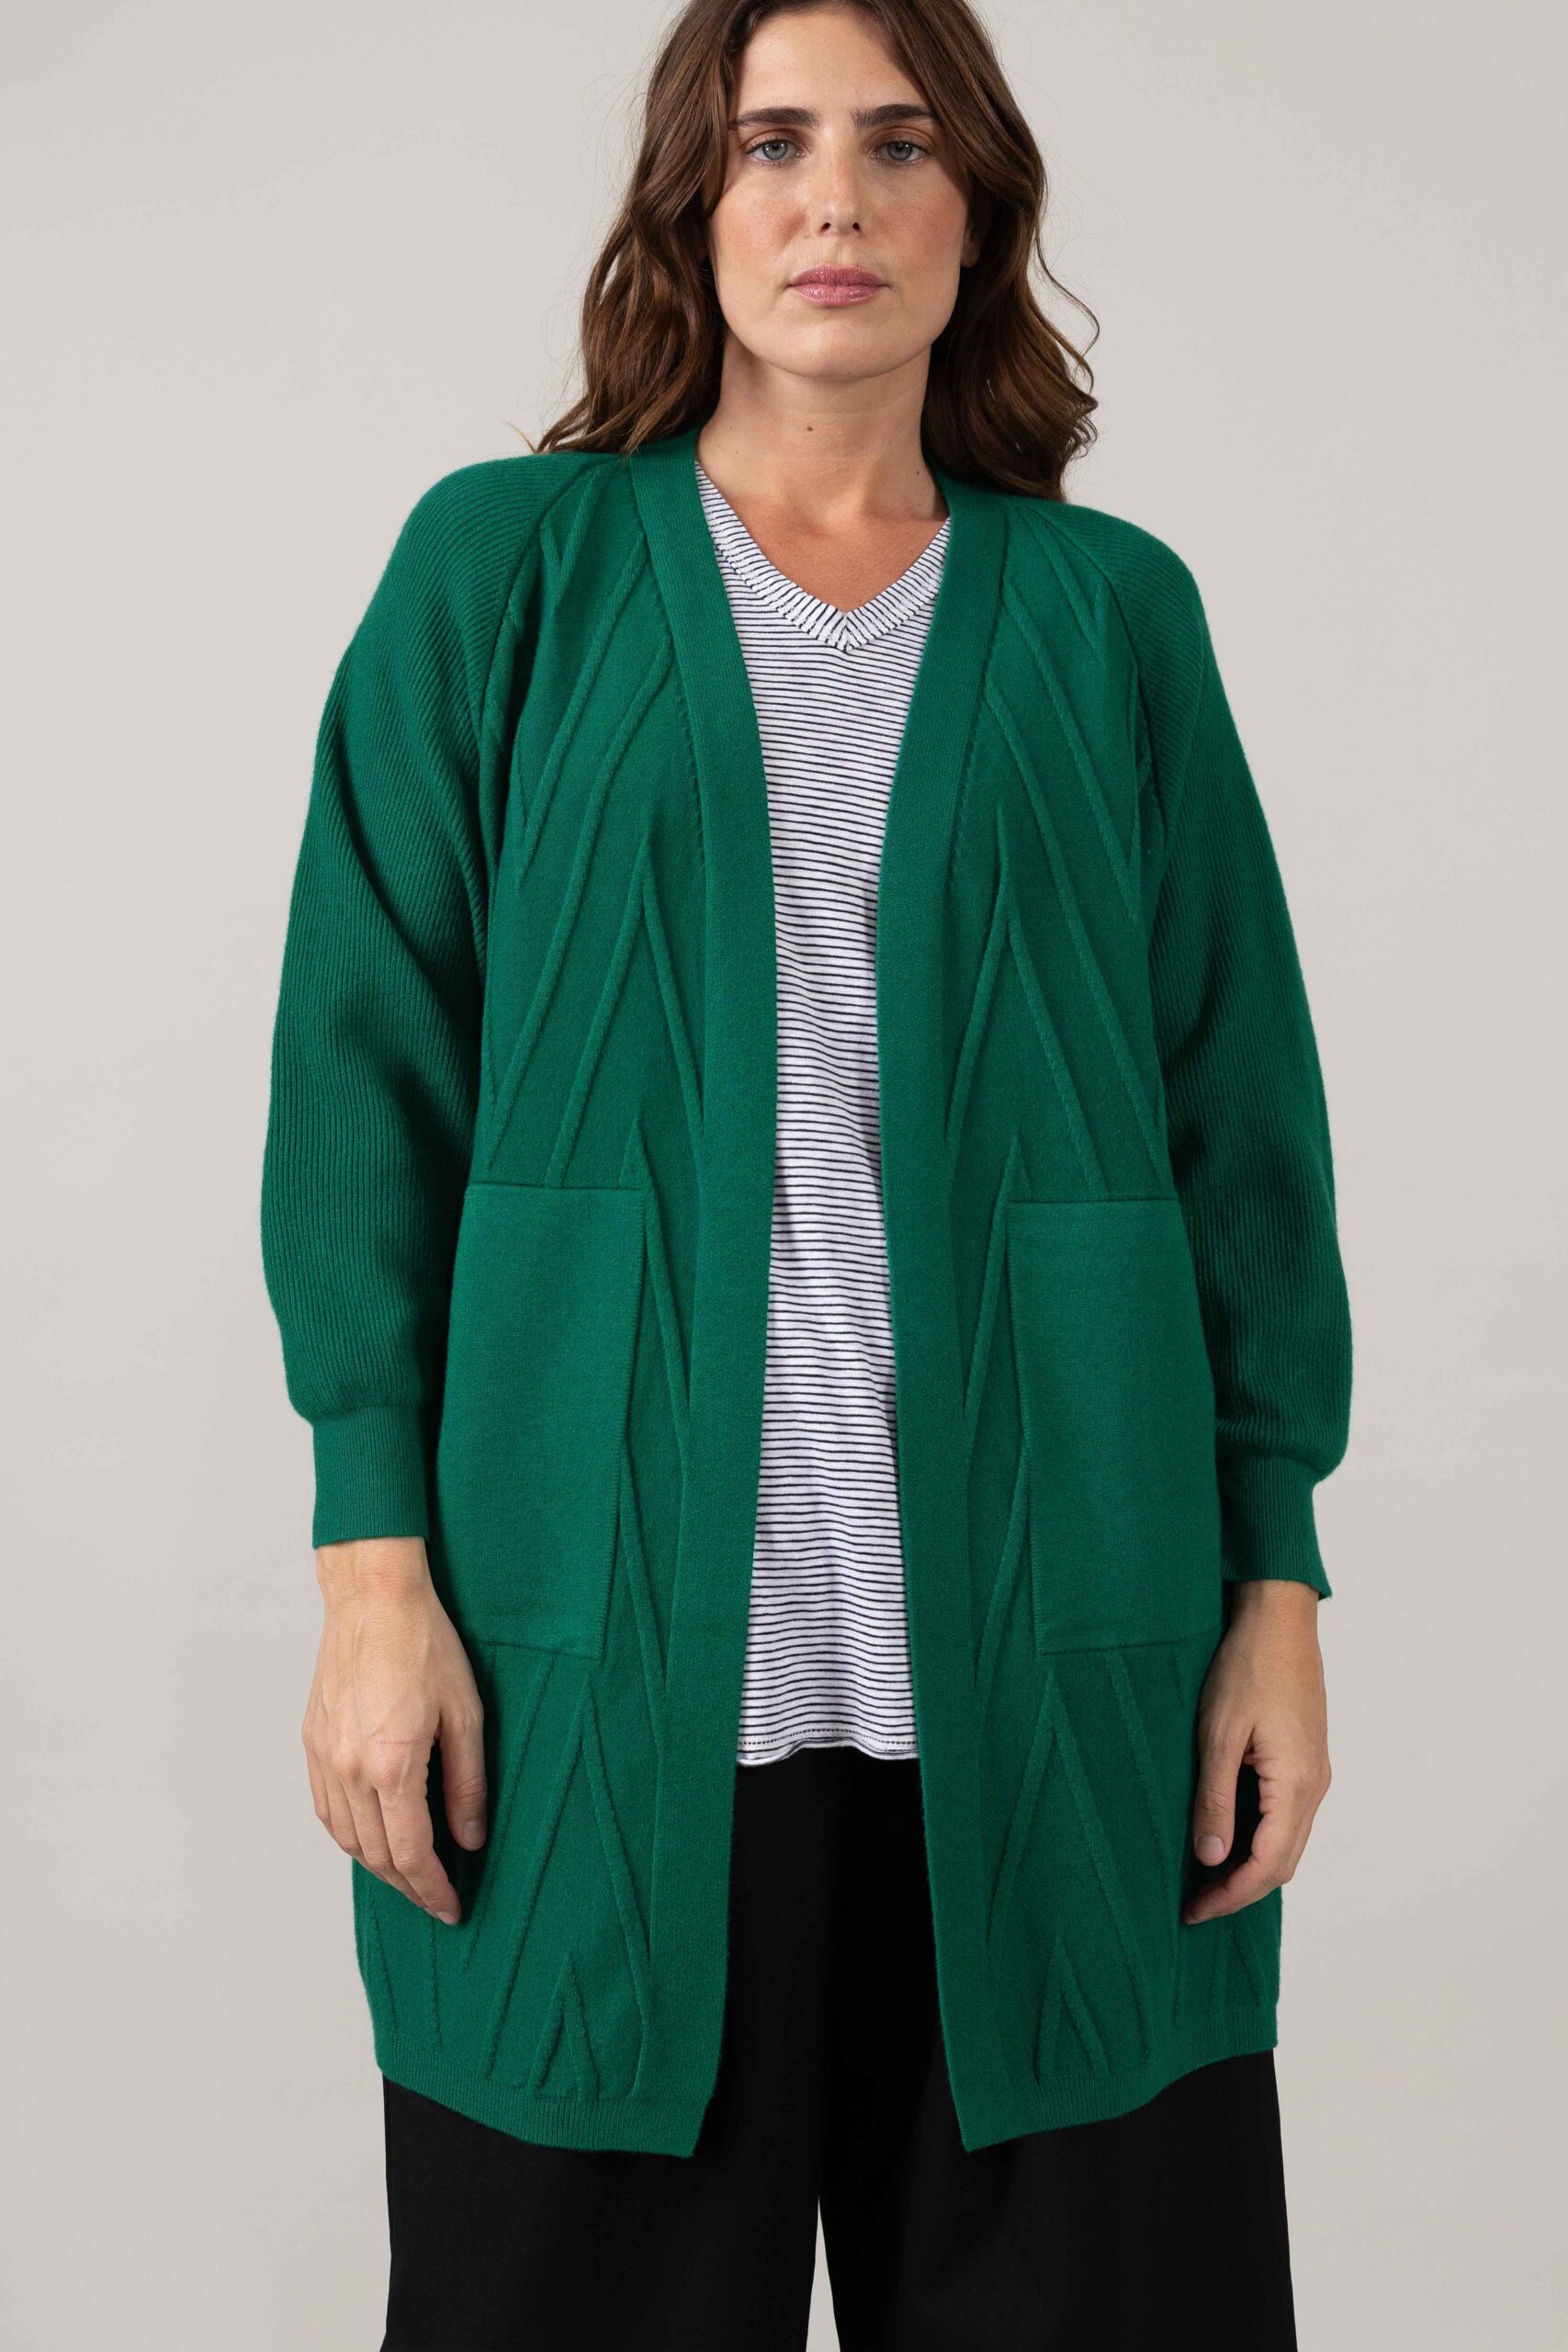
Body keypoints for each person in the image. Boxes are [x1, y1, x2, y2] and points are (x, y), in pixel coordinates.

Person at [260, 1, 1352, 2344]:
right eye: (771, 143)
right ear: (693, 206)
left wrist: (1271, 1582)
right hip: (584, 1677)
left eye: (896, 142)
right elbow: (364, 1079)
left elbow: (1237, 1116)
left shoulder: (1109, 616)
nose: (832, 195)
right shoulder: (505, 570)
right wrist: (371, 1574)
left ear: (977, 216)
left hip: (1061, 1683)